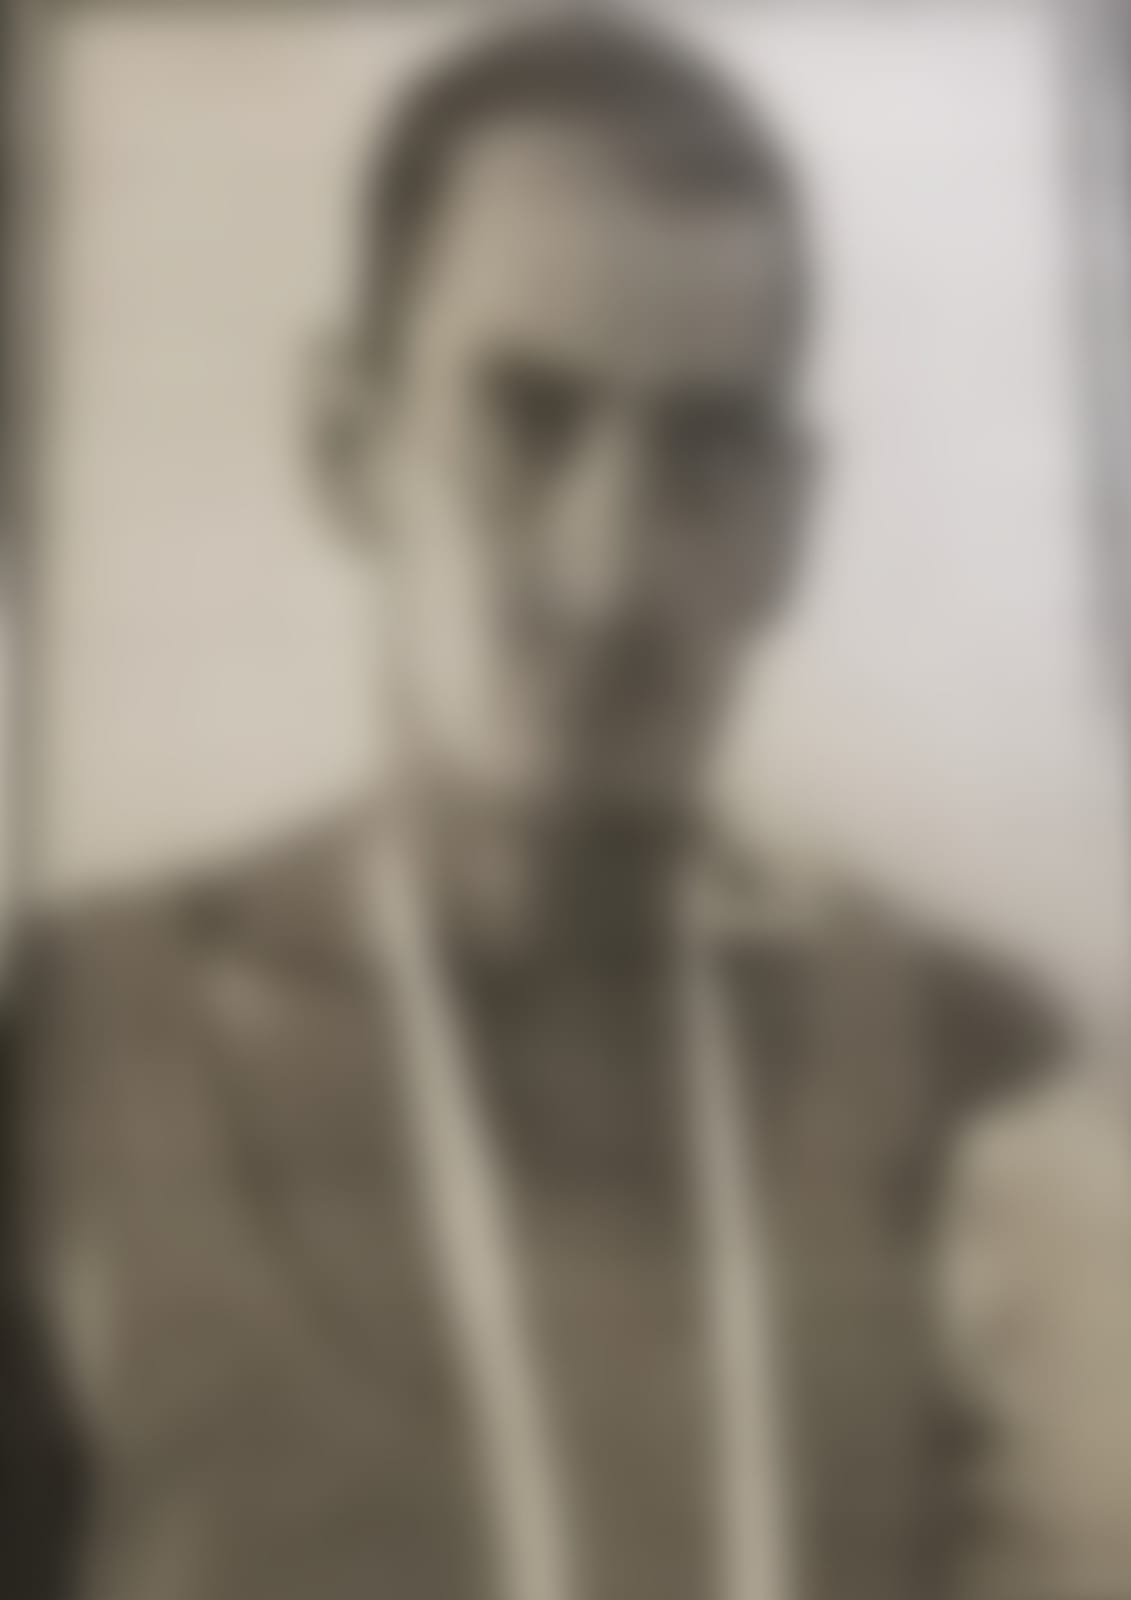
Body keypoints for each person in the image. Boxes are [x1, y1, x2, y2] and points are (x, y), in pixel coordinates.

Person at [29, 15, 1131, 1600]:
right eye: (528, 423)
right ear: (348, 444)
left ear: (789, 525)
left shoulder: (977, 1085)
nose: (614, 571)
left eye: (707, 451)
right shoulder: (70, 1064)